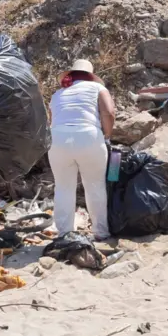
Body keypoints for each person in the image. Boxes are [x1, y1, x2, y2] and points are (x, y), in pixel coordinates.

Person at [48, 60, 116, 240]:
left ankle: (64, 233)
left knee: (63, 187)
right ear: (90, 75)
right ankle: (101, 232)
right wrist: (106, 135)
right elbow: (109, 113)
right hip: (88, 136)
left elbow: (53, 119)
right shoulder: (97, 88)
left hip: (57, 140)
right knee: (95, 186)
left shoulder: (57, 94)